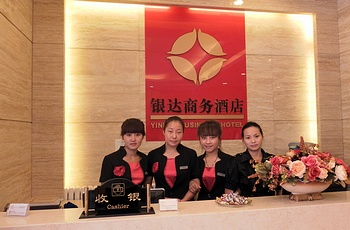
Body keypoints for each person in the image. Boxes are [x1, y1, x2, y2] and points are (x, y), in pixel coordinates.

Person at [147, 116, 200, 201]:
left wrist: (182, 202)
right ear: (163, 132)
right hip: (161, 204)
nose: (174, 136)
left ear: (183, 133)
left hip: (186, 204)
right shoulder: (153, 155)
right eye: (170, 131)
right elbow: (148, 184)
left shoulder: (190, 154)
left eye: (178, 132)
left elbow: (195, 179)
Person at [228, 121, 276, 197]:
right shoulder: (237, 161)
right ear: (243, 140)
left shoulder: (273, 160)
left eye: (256, 136)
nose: (253, 141)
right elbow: (230, 189)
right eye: (248, 138)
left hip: (271, 205)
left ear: (262, 137)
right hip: (246, 205)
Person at [99, 118, 151, 186]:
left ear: (143, 137)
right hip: (117, 196)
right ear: (122, 137)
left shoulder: (145, 159)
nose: (133, 139)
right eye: (129, 135)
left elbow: (147, 187)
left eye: (137, 135)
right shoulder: (110, 159)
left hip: (139, 196)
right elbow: (104, 187)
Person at [195, 120, 235, 200]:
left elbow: (230, 189)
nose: (208, 142)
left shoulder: (229, 161)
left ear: (219, 138)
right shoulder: (197, 161)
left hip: (223, 206)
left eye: (212, 137)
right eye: (204, 138)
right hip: (201, 206)